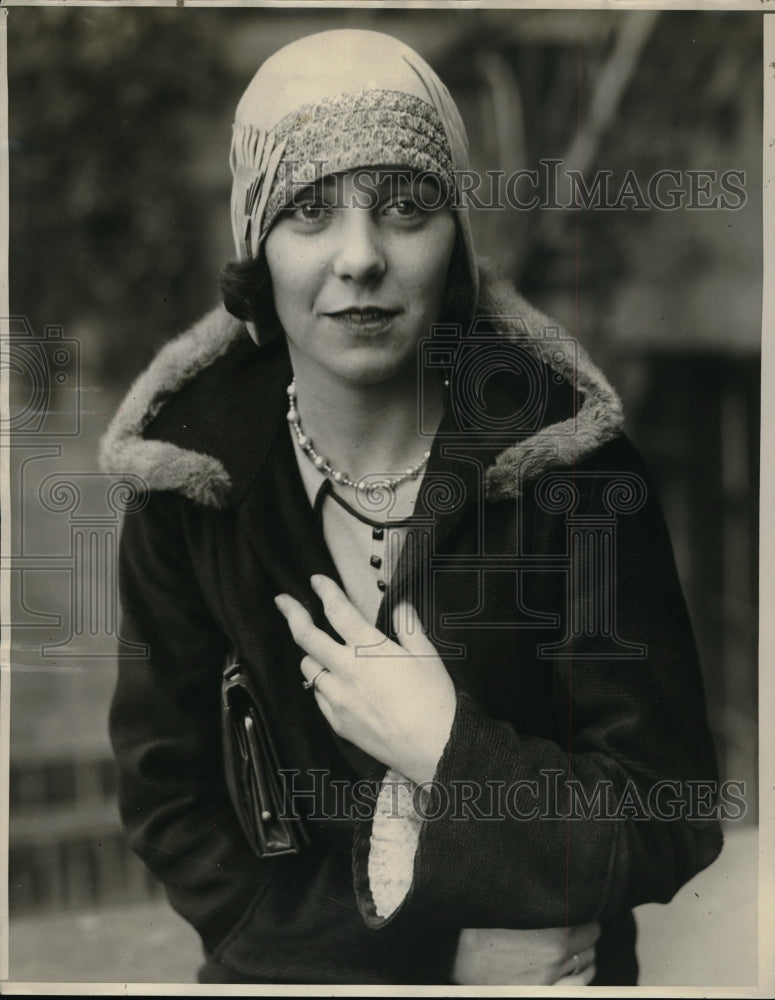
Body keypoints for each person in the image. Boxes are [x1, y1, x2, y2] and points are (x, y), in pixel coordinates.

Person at [100, 28, 722, 986]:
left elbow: (668, 809)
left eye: (407, 207)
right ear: (255, 245)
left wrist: (444, 744)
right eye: (309, 212)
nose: (360, 258)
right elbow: (170, 808)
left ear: (458, 242)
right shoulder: (191, 482)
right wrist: (436, 952)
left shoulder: (572, 472)